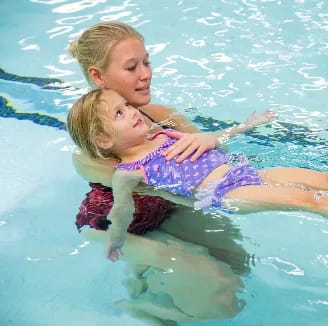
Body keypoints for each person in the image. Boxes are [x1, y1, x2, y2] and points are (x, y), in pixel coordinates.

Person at [67, 88, 328, 262]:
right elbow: (121, 211)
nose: (133, 112)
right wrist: (115, 242)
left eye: (127, 105)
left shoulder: (165, 132)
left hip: (248, 172)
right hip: (226, 195)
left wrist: (246, 126)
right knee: (310, 200)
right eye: (120, 113)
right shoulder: (128, 170)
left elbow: (213, 141)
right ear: (104, 141)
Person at [68, 21, 252, 322]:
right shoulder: (93, 149)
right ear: (98, 76)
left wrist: (209, 140)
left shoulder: (164, 116)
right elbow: (149, 187)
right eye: (131, 68)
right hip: (119, 225)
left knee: (238, 263)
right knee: (220, 293)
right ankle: (145, 306)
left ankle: (149, 290)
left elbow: (218, 161)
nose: (146, 74)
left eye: (146, 62)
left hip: (168, 207)